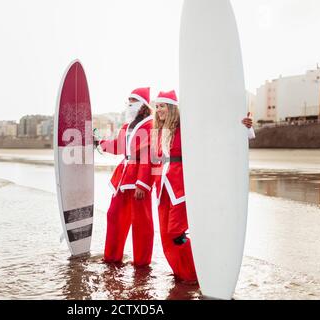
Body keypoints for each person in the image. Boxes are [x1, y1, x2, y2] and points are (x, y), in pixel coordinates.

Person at [152, 90, 254, 282]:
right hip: (162, 189)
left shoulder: (186, 126)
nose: (158, 110)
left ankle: (198, 273)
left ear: (172, 107)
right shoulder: (158, 131)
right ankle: (181, 274)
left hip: (181, 187)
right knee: (166, 238)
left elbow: (213, 134)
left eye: (162, 106)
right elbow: (154, 161)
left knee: (176, 232)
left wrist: (242, 127)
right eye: (156, 107)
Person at [95, 87, 155, 267]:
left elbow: (149, 155)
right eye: (128, 101)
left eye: (133, 101)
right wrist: (100, 143)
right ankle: (112, 258)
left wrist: (142, 184)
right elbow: (120, 147)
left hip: (139, 179)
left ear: (143, 104)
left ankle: (142, 263)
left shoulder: (151, 125)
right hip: (124, 176)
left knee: (141, 223)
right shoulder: (127, 126)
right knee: (114, 215)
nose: (129, 104)